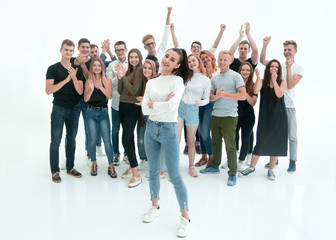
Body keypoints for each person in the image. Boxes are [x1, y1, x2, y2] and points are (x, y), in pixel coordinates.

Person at [141, 48, 191, 237]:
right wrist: (156, 104)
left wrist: (154, 103)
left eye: (172, 59)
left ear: (178, 65)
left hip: (169, 130)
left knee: (174, 175)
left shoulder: (177, 81)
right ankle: (155, 206)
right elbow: (145, 109)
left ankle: (185, 217)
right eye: (167, 56)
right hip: (151, 129)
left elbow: (172, 106)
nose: (167, 60)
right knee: (153, 171)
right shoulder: (152, 82)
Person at [170, 23, 226, 155]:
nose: (196, 49)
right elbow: (177, 48)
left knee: (202, 129)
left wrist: (221, 31)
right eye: (193, 47)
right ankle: (189, 144)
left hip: (204, 101)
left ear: (201, 50)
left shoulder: (204, 62)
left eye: (198, 48)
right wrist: (173, 30)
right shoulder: (189, 64)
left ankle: (199, 145)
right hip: (190, 102)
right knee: (187, 120)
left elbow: (215, 46)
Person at [200, 50, 246, 187]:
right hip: (216, 115)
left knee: (230, 146)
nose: (222, 62)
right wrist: (218, 95)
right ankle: (214, 166)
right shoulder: (214, 78)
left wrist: (226, 95)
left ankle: (232, 172)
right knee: (215, 142)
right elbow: (211, 97)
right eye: (220, 59)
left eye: (225, 60)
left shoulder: (236, 76)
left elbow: (243, 96)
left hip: (230, 116)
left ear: (230, 61)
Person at [260, 37, 304, 173]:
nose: (286, 52)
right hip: (274, 105)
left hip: (288, 106)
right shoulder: (277, 65)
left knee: (292, 135)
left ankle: (292, 161)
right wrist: (265, 45)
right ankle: (275, 158)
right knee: (274, 133)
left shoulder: (299, 68)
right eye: (285, 50)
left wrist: (289, 68)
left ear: (295, 51)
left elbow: (290, 85)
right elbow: (262, 61)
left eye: (289, 50)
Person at [239, 60, 288, 180]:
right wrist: (259, 77)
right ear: (268, 68)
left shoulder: (282, 82)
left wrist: (274, 80)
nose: (274, 69)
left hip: (279, 117)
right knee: (260, 141)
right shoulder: (261, 81)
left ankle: (271, 170)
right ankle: (251, 167)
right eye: (272, 66)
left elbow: (279, 94)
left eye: (276, 67)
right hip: (265, 116)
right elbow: (255, 91)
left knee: (276, 143)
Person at [46, 39, 83, 183]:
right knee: (55, 140)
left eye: (71, 50)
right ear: (61, 50)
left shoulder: (77, 70)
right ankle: (55, 171)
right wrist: (65, 80)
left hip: (74, 109)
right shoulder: (53, 69)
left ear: (73, 52)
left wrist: (73, 77)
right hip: (59, 109)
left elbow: (80, 91)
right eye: (66, 49)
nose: (68, 52)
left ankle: (70, 167)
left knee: (71, 140)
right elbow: (49, 90)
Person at [228, 22, 258, 166]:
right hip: (234, 107)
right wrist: (239, 37)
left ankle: (244, 157)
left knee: (247, 135)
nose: (243, 50)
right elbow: (229, 53)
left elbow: (256, 51)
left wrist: (249, 34)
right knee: (233, 136)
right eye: (241, 48)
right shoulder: (233, 63)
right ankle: (233, 159)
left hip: (247, 109)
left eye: (246, 49)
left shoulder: (250, 63)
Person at [177, 54, 210, 178]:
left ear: (198, 61)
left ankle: (191, 167)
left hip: (193, 110)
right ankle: (174, 168)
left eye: (193, 60)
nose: (191, 63)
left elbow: (207, 98)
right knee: (176, 140)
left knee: (191, 142)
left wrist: (201, 102)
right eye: (189, 62)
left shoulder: (205, 80)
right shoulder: (185, 76)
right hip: (180, 108)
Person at [84, 57, 117, 178]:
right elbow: (86, 99)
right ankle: (94, 163)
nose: (97, 68)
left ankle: (111, 166)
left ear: (102, 67)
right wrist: (91, 89)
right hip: (91, 112)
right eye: (94, 65)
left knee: (107, 140)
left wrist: (100, 87)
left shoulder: (107, 80)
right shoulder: (88, 81)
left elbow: (109, 96)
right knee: (92, 139)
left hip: (103, 113)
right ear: (91, 67)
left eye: (99, 65)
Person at [116, 48, 144, 188]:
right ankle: (133, 167)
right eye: (131, 57)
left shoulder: (139, 70)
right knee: (129, 139)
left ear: (139, 57)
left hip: (132, 108)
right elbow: (120, 91)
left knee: (125, 139)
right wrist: (120, 76)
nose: (133, 59)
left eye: (135, 57)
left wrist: (123, 77)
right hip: (122, 106)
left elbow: (134, 91)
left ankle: (136, 175)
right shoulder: (128, 71)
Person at [106, 41, 129, 165]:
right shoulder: (112, 65)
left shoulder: (131, 62)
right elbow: (109, 83)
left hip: (128, 103)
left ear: (126, 49)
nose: (120, 52)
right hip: (115, 103)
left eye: (122, 49)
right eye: (117, 50)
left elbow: (131, 82)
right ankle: (116, 153)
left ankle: (127, 153)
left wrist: (122, 76)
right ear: (115, 52)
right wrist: (120, 76)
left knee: (127, 130)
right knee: (115, 130)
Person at [195, 50, 218, 168]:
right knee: (200, 132)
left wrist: (209, 74)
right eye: (202, 58)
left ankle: (211, 157)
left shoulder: (217, 72)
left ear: (211, 58)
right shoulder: (199, 74)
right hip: (199, 104)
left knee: (205, 132)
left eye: (207, 57)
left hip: (210, 105)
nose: (205, 60)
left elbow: (214, 91)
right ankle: (203, 157)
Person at [235, 62, 257, 172]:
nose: (245, 72)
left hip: (248, 115)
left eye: (247, 70)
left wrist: (243, 90)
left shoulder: (253, 85)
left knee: (246, 138)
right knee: (234, 136)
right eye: (243, 70)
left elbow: (253, 102)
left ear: (250, 72)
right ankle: (234, 157)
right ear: (239, 71)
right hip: (236, 113)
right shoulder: (234, 83)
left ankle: (241, 161)